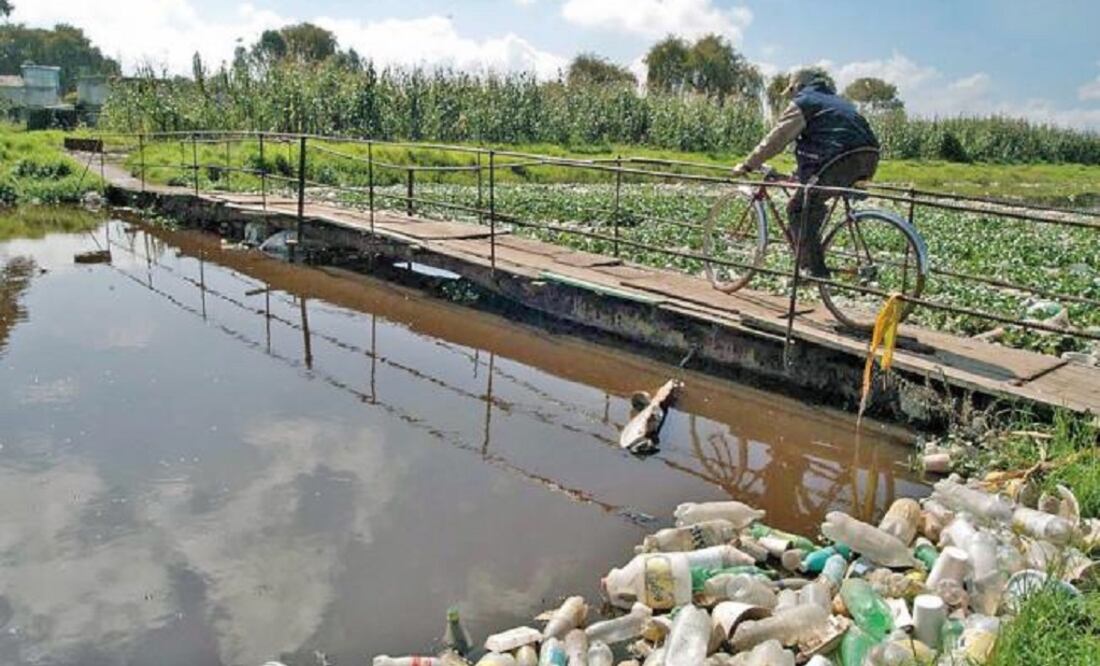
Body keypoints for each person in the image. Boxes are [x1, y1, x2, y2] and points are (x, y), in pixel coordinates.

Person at [731, 68, 880, 276]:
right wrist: (799, 172)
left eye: (791, 92)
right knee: (812, 199)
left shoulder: (804, 102)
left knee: (798, 209)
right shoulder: (839, 102)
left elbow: (777, 139)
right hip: (868, 158)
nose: (791, 97)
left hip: (839, 161)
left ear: (796, 87)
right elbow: (825, 139)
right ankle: (812, 253)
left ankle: (812, 270)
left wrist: (748, 164)